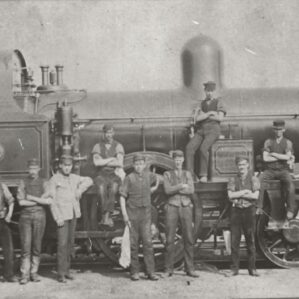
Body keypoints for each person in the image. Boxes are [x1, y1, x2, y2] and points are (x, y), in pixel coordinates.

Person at [48, 155, 93, 283]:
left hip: (73, 215)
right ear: (60, 166)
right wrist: (57, 217)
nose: (67, 168)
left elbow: (89, 180)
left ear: (71, 166)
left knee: (69, 244)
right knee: (62, 245)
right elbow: (52, 201)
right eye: (65, 165)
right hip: (62, 216)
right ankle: (60, 273)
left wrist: (80, 189)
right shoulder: (54, 179)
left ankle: (67, 271)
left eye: (69, 166)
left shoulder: (74, 178)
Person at [119, 153, 159, 281]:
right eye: (136, 164)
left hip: (146, 215)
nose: (139, 166)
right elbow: (122, 197)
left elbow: (158, 179)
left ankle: (150, 272)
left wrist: (154, 188)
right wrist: (125, 215)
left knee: (148, 243)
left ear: (144, 165)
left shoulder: (149, 176)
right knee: (133, 244)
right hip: (133, 214)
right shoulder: (128, 178)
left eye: (141, 164)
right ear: (133, 165)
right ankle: (134, 272)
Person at [163, 150, 198, 278]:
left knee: (189, 238)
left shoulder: (187, 173)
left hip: (186, 207)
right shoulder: (167, 174)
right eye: (176, 159)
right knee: (169, 239)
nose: (178, 161)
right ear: (173, 161)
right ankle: (168, 269)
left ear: (183, 160)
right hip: (172, 206)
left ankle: (190, 268)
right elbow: (167, 190)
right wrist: (181, 186)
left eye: (180, 159)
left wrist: (176, 188)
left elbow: (191, 190)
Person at [17, 158, 52, 284]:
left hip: (40, 216)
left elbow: (48, 200)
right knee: (26, 247)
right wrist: (39, 200)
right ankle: (24, 274)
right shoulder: (23, 182)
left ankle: (34, 273)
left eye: (34, 168)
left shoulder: (44, 182)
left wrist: (30, 198)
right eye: (30, 168)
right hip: (25, 217)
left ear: (38, 169)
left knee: (37, 246)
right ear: (28, 169)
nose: (32, 171)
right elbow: (21, 202)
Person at [186, 81, 226, 182]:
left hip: (213, 130)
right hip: (201, 130)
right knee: (189, 148)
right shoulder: (201, 103)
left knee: (203, 148)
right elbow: (197, 119)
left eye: (211, 91)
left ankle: (203, 175)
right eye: (208, 91)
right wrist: (210, 113)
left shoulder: (219, 102)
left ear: (214, 91)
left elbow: (220, 118)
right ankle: (189, 175)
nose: (209, 93)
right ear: (205, 91)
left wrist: (204, 115)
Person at [228, 156, 260, 277]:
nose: (241, 167)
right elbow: (230, 195)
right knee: (234, 241)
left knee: (250, 240)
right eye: (239, 165)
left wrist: (238, 195)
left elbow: (255, 196)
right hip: (236, 211)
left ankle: (252, 269)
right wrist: (245, 192)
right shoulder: (232, 179)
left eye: (243, 164)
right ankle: (234, 269)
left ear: (248, 165)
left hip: (249, 211)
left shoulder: (254, 179)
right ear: (237, 166)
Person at [259, 120, 296, 220]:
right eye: (276, 129)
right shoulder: (268, 141)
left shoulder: (288, 142)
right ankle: (259, 206)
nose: (278, 131)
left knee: (290, 185)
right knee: (259, 181)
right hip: (269, 170)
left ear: (284, 130)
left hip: (283, 171)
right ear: (273, 130)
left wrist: (274, 154)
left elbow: (288, 157)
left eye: (280, 129)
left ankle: (290, 210)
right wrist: (282, 157)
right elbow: (265, 158)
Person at [92, 124, 125, 227]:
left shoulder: (118, 146)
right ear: (103, 133)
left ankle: (107, 216)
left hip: (114, 174)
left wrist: (103, 161)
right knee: (101, 189)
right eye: (107, 132)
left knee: (114, 188)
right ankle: (104, 216)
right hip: (101, 175)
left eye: (110, 132)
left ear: (113, 133)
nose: (108, 135)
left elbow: (119, 163)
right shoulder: (97, 146)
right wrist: (111, 159)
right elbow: (96, 163)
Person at [0, 180, 17, 282]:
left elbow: (11, 201)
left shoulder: (2, 186)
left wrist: (9, 214)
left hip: (2, 221)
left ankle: (9, 275)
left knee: (8, 249)